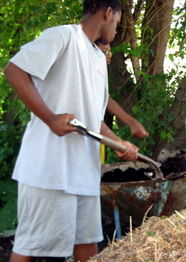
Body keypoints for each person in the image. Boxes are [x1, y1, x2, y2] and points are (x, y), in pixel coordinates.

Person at [4, 1, 138, 261]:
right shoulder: (63, 36)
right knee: (30, 248)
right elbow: (14, 70)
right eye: (118, 23)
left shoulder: (99, 58)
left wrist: (118, 142)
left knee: (87, 247)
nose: (116, 30)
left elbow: (91, 117)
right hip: (49, 169)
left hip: (83, 173)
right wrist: (50, 118)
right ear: (108, 13)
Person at [96, 41, 149, 139]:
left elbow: (105, 99)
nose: (109, 56)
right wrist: (117, 141)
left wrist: (132, 122)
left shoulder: (100, 75)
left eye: (109, 52)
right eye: (104, 52)